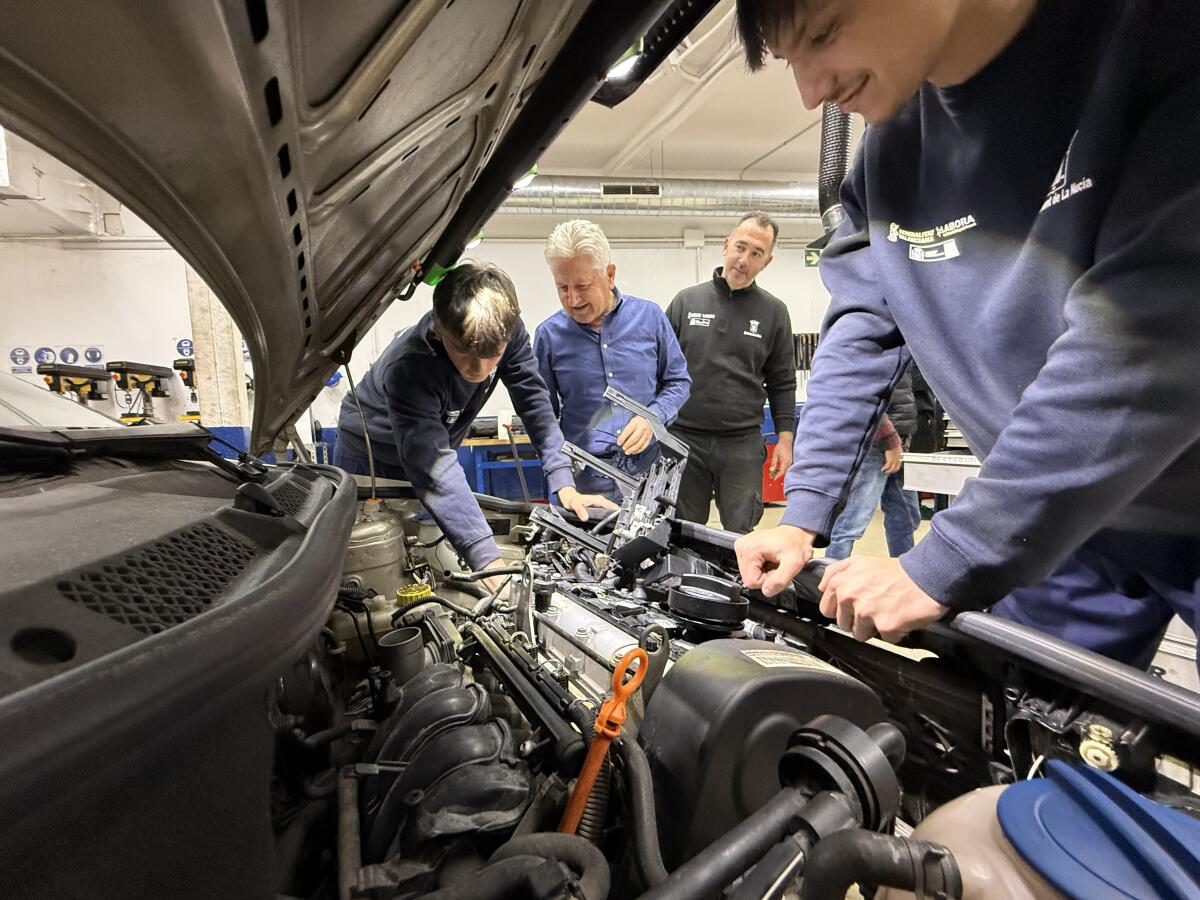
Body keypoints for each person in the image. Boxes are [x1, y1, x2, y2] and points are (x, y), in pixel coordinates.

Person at [732, 0, 1200, 669]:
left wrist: (946, 558)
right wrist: (803, 515)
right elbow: (862, 330)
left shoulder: (1159, 43)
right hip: (1062, 523)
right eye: (790, 61)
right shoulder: (887, 154)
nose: (811, 93)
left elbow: (1142, 350)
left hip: (1171, 494)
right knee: (1036, 745)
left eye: (824, 36)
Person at [334, 262, 615, 584]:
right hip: (372, 457)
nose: (479, 369)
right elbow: (434, 468)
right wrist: (490, 563)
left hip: (432, 445)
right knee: (374, 562)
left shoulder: (507, 330)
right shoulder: (410, 367)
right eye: (465, 353)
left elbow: (534, 402)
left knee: (431, 555)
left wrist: (564, 483)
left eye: (492, 355)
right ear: (439, 327)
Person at [534, 220, 692, 502]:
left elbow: (678, 382)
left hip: (647, 475)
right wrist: (562, 482)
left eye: (582, 286)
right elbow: (542, 417)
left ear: (609, 274)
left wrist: (651, 418)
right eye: (562, 287)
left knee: (650, 547)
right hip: (583, 479)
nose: (572, 299)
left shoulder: (650, 318)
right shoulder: (549, 336)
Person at [665, 212, 797, 533]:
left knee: (741, 535)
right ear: (726, 246)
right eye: (741, 247)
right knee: (682, 533)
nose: (744, 259)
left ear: (767, 262)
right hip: (685, 440)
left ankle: (739, 585)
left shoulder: (774, 313)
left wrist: (785, 440)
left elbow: (782, 382)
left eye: (756, 253)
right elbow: (660, 368)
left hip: (741, 444)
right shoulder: (686, 302)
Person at [824, 369, 921, 559]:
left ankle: (902, 576)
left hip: (901, 437)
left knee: (906, 518)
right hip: (874, 439)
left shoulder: (906, 343)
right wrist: (889, 438)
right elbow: (865, 392)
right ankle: (829, 580)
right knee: (851, 522)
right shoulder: (882, 343)